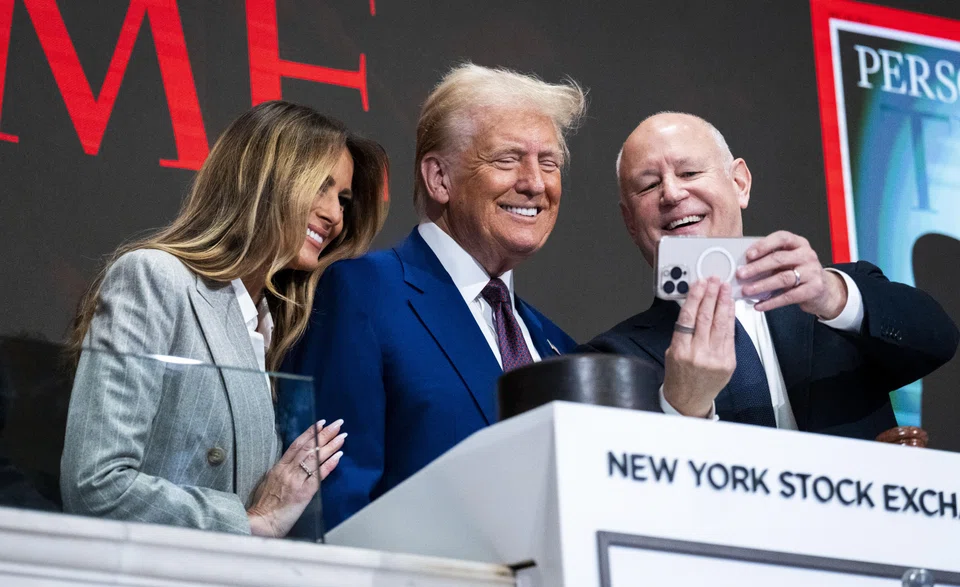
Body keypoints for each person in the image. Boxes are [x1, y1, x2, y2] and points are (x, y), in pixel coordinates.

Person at [60, 101, 388, 536]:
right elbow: (95, 484)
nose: (334, 216)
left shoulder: (276, 330)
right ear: (261, 183)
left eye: (343, 200)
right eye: (319, 187)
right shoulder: (155, 278)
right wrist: (250, 523)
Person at [285, 63, 587, 528]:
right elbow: (330, 500)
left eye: (549, 163)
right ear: (439, 178)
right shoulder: (362, 293)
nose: (536, 183)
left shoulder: (559, 348)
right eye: (508, 159)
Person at [580, 112, 958, 439]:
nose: (672, 193)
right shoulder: (612, 358)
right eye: (649, 185)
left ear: (740, 183)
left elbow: (938, 340)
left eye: (689, 172)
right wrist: (681, 406)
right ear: (630, 221)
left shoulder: (837, 299)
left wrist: (831, 296)